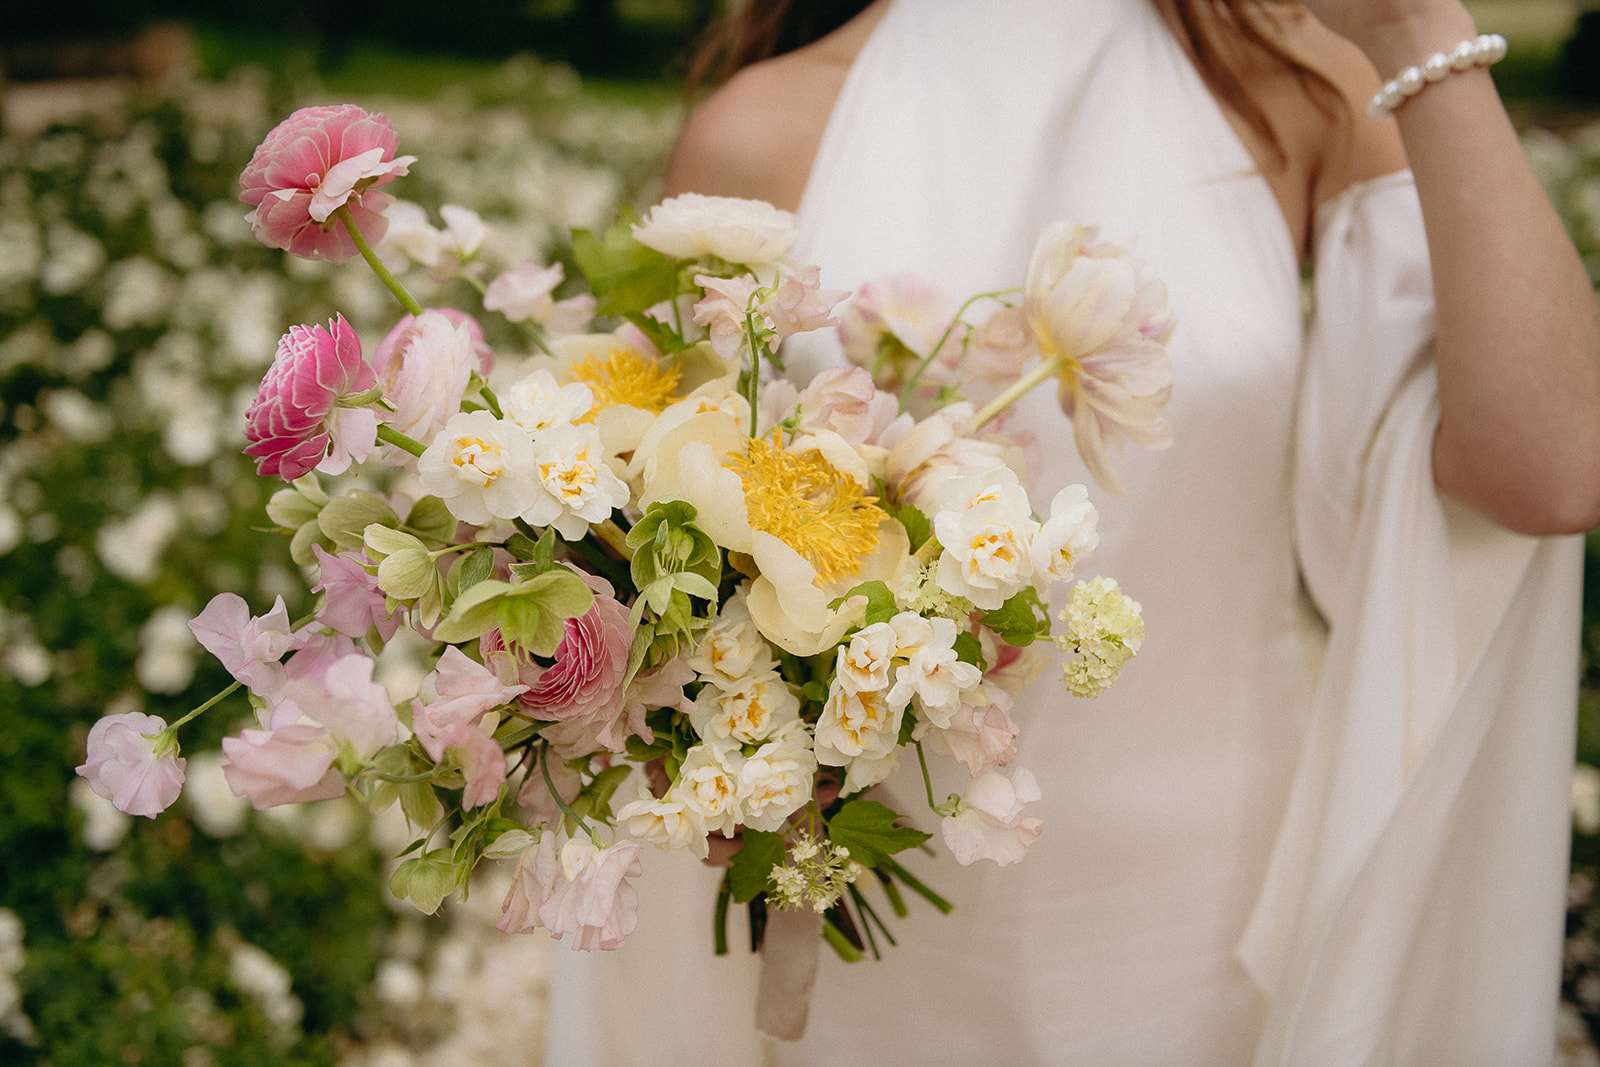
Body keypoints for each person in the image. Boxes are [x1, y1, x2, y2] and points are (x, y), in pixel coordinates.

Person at [546, 1, 1600, 1062]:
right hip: (882, 905)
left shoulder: (1300, 84)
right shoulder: (762, 126)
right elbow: (661, 553)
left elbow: (1556, 464)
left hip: (1204, 909)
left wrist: (1418, 31)